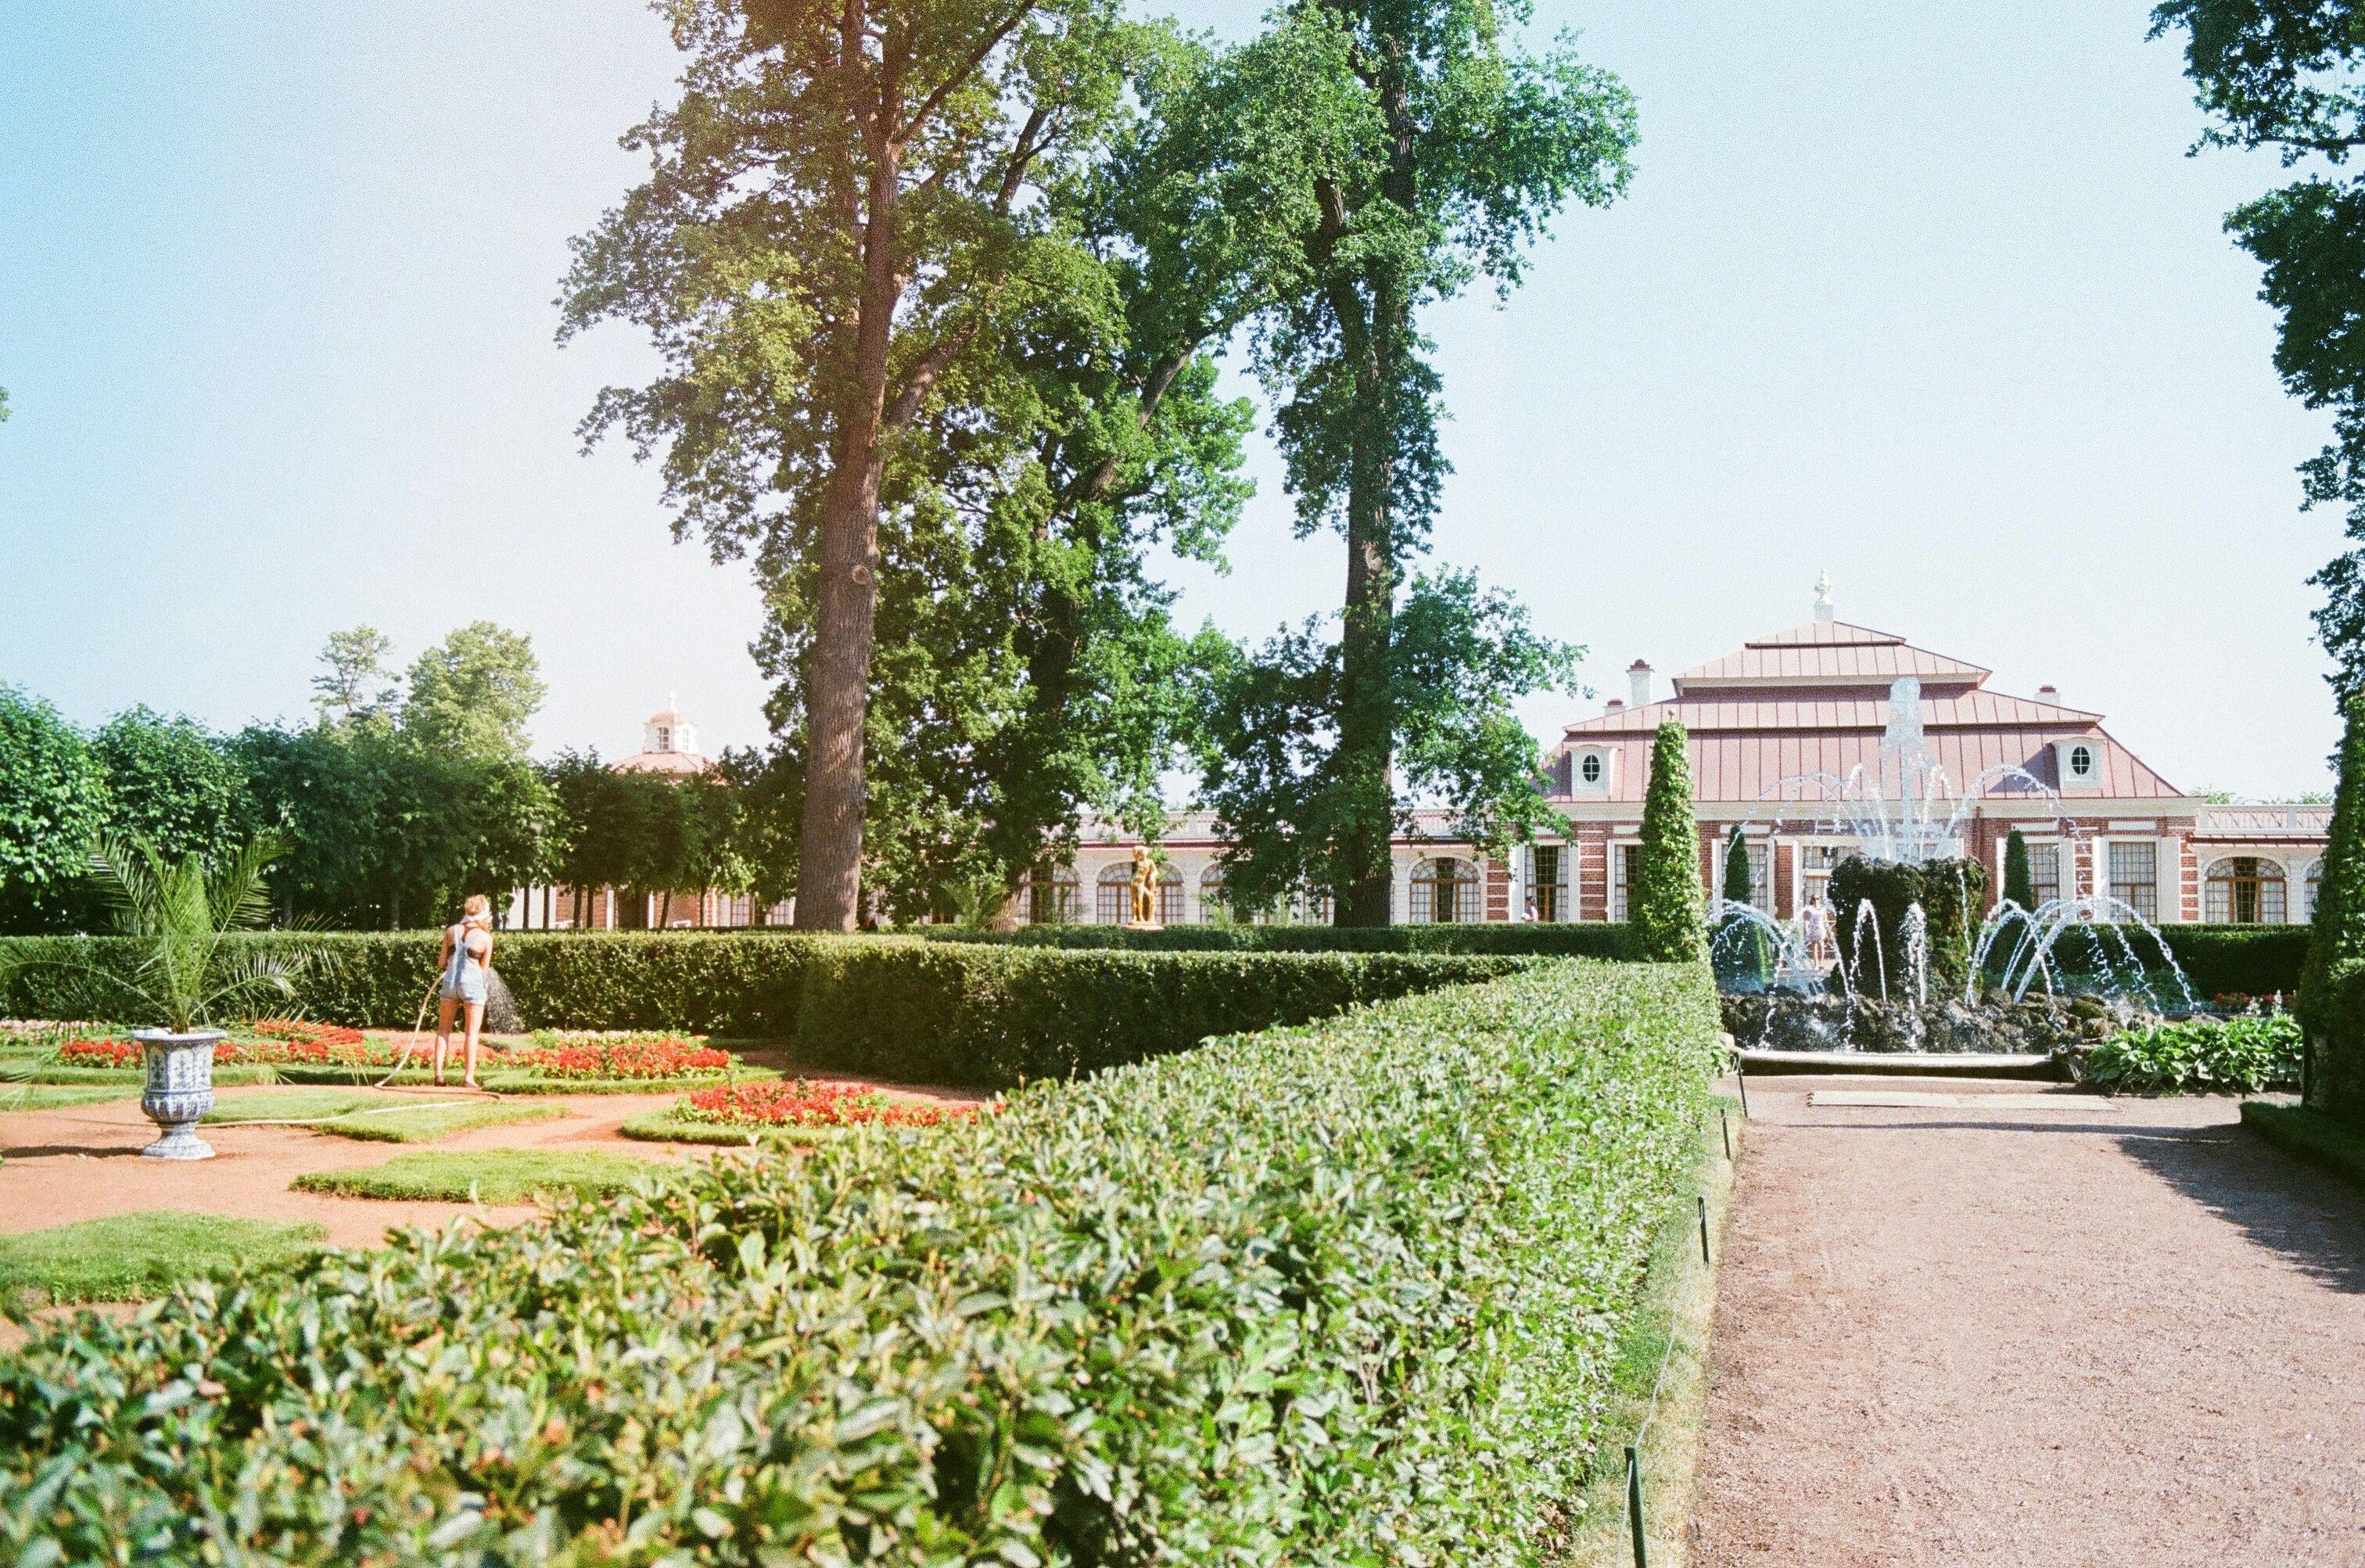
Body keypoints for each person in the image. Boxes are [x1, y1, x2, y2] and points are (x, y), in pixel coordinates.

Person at [435, 895, 496, 1088]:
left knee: (444, 1029)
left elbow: (441, 963)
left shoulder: (451, 931)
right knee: (471, 1033)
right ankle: (468, 1078)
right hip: (472, 985)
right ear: (484, 914)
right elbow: (484, 970)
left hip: (450, 983)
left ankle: (438, 1075)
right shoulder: (486, 938)